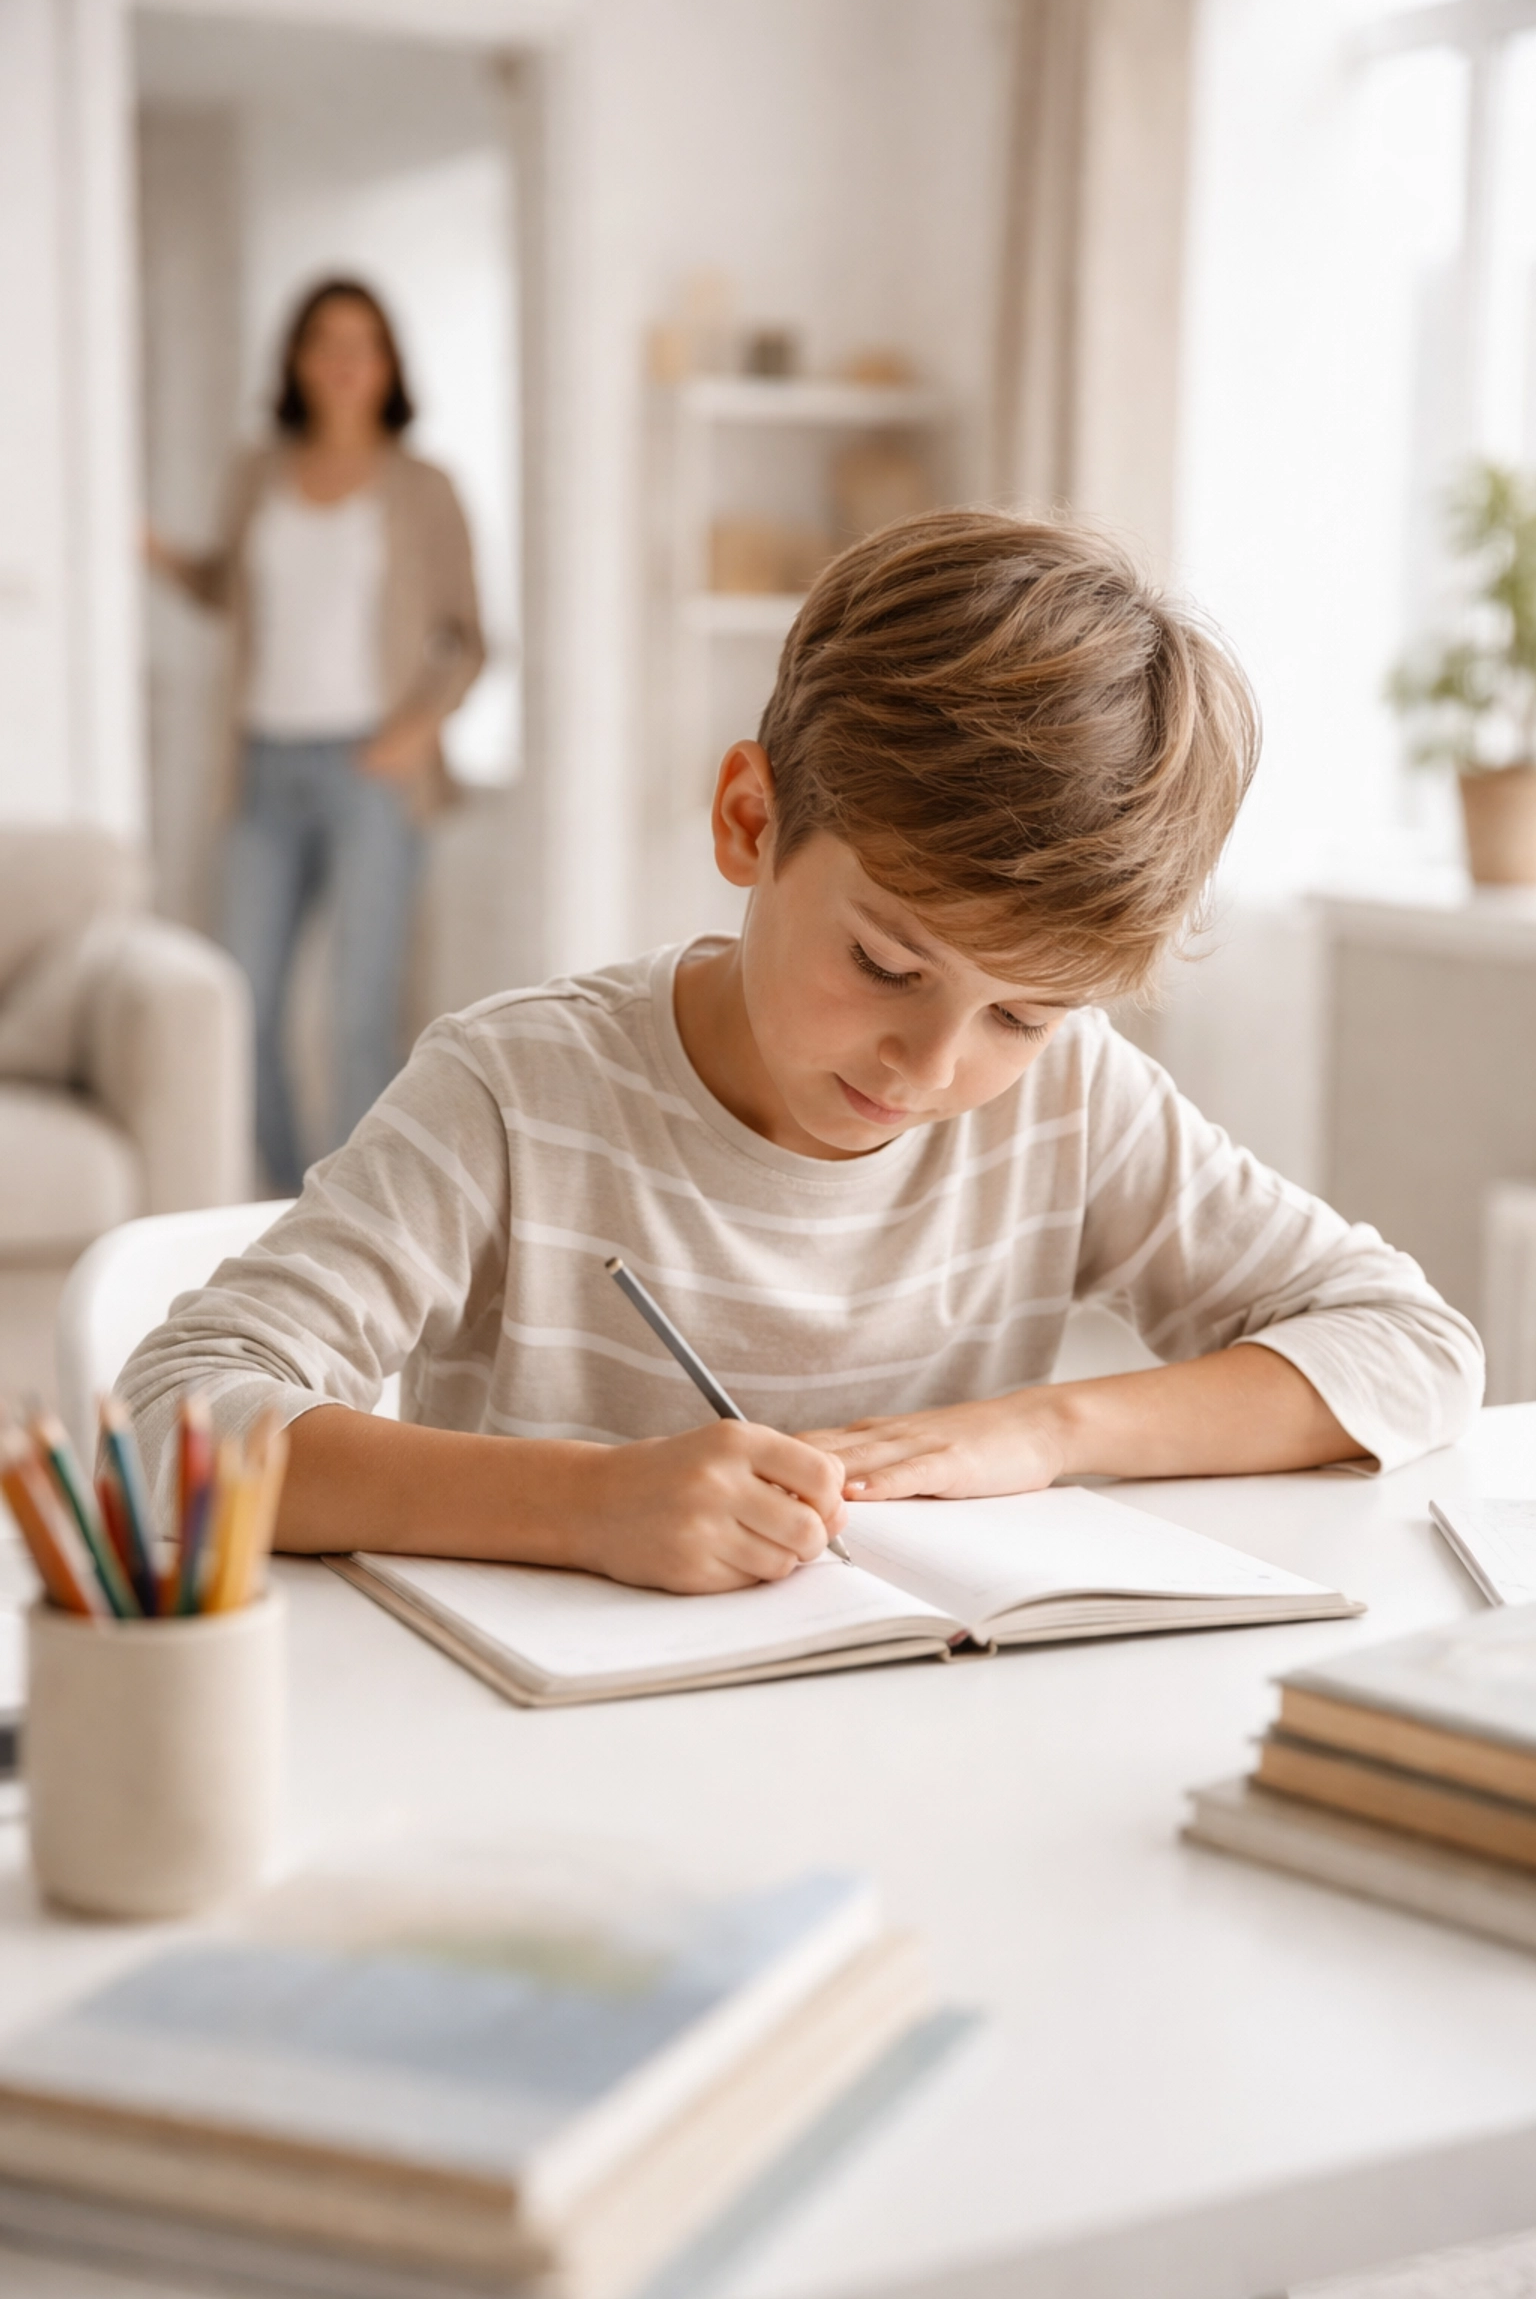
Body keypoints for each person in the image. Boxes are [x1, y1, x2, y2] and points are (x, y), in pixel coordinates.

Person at [120, 512, 1483, 1591]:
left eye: (1022, 1012)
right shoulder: (514, 1096)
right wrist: (588, 1506)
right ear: (747, 821)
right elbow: (169, 1421)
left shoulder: (1074, 1103)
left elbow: (1410, 1346)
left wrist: (1044, 1429)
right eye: (888, 963)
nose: (934, 1063)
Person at [147, 278, 485, 1196]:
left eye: (363, 344)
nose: (342, 362)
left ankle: (361, 1214)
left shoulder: (424, 488)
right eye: (324, 342)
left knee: (357, 1015)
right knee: (242, 1002)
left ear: (387, 366)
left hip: (371, 771)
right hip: (260, 765)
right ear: (296, 360)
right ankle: (289, 1205)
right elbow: (232, 591)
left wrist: (415, 729)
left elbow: (465, 633)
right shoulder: (255, 474)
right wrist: (155, 556)